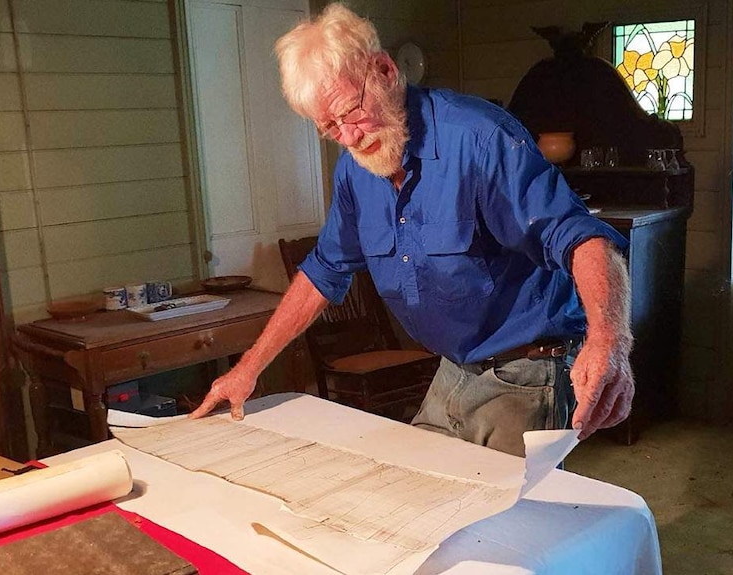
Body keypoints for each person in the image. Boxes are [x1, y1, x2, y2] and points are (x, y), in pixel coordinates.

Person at [191, 3, 634, 456]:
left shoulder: (480, 140)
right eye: (329, 127)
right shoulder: (355, 170)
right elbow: (324, 270)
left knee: (500, 520)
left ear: (384, 70)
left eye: (350, 113)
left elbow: (582, 239)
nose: (348, 137)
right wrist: (248, 369)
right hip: (454, 367)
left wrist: (609, 340)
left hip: (524, 370)